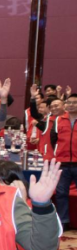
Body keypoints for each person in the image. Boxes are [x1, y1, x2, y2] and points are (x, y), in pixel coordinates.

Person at [49, 91, 77, 226]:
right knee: (61, 193)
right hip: (62, 162)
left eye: (74, 103)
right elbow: (53, 139)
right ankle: (63, 222)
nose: (71, 105)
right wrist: (60, 152)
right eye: (69, 102)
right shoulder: (58, 120)